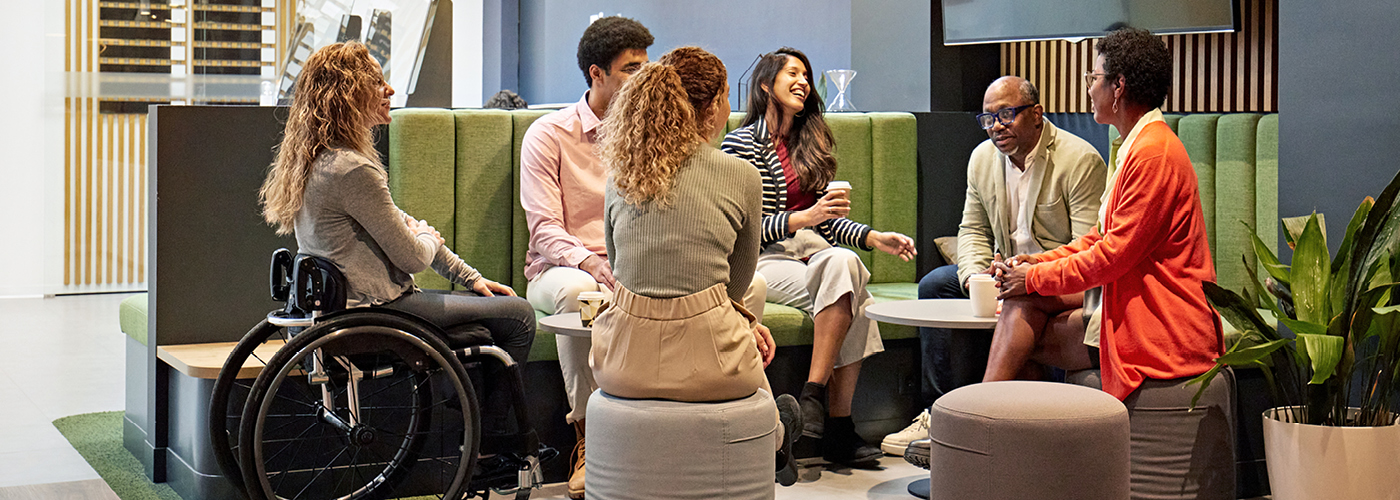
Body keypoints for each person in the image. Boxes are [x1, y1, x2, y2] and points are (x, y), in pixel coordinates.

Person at [517, 16, 766, 498]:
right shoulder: (549, 134)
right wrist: (593, 264)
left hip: (630, 279)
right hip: (564, 267)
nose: (647, 79)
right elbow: (545, 228)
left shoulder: (661, 154)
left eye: (648, 68)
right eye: (632, 68)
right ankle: (588, 434)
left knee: (752, 288)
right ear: (597, 74)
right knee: (578, 291)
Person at [256, 41, 536, 431]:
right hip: (377, 313)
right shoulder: (353, 170)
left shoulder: (321, 161)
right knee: (519, 315)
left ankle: (471, 421)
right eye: (377, 82)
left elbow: (406, 227)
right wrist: (429, 240)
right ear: (348, 94)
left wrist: (470, 277)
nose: (389, 90)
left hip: (344, 310)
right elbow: (414, 257)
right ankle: (488, 442)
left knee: (490, 323)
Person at [591, 46, 803, 487]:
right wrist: (740, 323)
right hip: (712, 366)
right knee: (746, 344)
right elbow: (737, 283)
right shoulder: (741, 174)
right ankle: (779, 436)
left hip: (622, 361)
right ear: (713, 107)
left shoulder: (620, 173)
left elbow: (620, 269)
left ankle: (779, 435)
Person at [991, 27, 1223, 401]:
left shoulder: (1153, 153)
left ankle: (982, 431)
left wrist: (1033, 277)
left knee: (1020, 328)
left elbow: (1112, 256)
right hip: (1132, 305)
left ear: (1118, 87)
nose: (1088, 88)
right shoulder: (1136, 145)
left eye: (1093, 77)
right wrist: (1032, 264)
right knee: (1020, 313)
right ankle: (1004, 440)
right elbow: (1098, 238)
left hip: (1161, 323)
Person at [882, 76, 1107, 456]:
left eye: (1006, 114)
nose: (996, 126)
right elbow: (971, 229)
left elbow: (1086, 249)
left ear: (1036, 115)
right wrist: (974, 278)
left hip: (1056, 278)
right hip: (1003, 273)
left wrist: (1029, 274)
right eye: (987, 119)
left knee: (1026, 301)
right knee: (937, 284)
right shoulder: (982, 158)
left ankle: (975, 422)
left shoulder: (1079, 159)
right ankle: (938, 408)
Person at [721, 47, 917, 466]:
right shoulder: (740, 143)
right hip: (763, 259)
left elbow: (824, 225)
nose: (803, 81)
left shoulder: (811, 141)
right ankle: (840, 426)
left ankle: (811, 396)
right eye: (792, 73)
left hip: (812, 254)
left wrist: (873, 237)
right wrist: (800, 218)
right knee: (854, 292)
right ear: (764, 84)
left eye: (806, 75)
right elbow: (742, 227)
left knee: (847, 265)